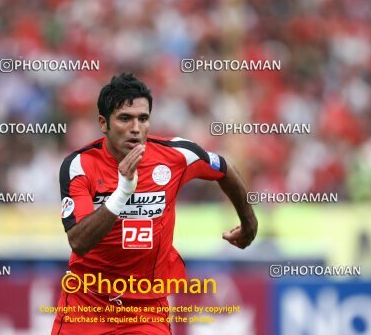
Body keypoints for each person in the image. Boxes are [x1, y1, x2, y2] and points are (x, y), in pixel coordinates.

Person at [52, 73, 258, 334]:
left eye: (143, 118)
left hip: (146, 308)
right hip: (86, 305)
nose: (136, 128)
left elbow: (224, 169)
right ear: (103, 123)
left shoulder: (177, 156)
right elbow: (79, 241)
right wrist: (123, 191)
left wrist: (248, 221)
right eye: (125, 118)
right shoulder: (79, 166)